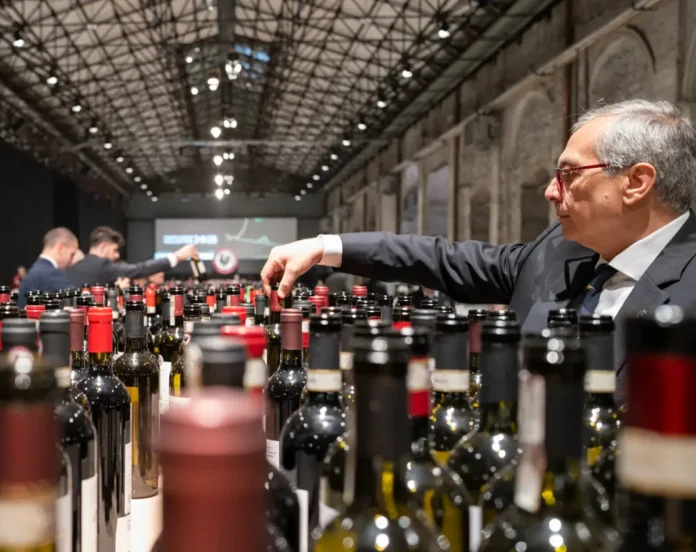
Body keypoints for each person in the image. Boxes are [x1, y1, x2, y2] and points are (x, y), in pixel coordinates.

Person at [262, 99, 696, 390]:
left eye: (569, 174)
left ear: (636, 183)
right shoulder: (560, 250)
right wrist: (327, 245)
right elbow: (444, 259)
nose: (550, 190)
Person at [65, 225, 198, 287]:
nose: (117, 256)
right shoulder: (101, 266)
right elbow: (139, 269)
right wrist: (177, 256)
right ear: (104, 247)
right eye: (115, 250)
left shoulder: (74, 268)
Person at [19, 227, 79, 305]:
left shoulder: (33, 272)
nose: (72, 261)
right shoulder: (52, 275)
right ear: (61, 248)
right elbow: (78, 302)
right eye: (72, 254)